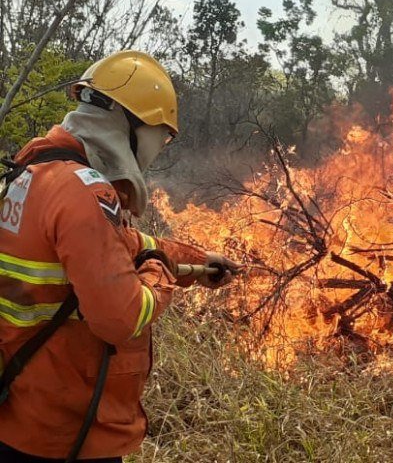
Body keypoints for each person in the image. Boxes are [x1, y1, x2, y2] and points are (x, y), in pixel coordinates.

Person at [0, 50, 242, 462]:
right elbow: (121, 318)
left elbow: (117, 246)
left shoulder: (32, 174)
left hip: (20, 414)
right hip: (66, 434)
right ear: (131, 125)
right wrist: (158, 274)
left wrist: (196, 261)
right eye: (159, 136)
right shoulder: (85, 192)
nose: (157, 149)